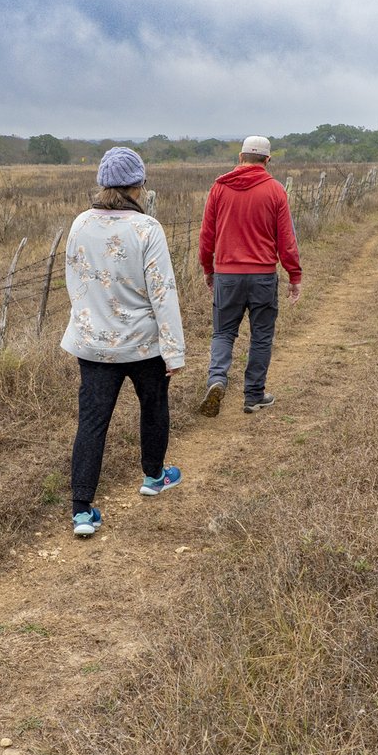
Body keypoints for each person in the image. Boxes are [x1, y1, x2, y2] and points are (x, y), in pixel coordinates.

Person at [61, 147, 185, 537]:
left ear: (103, 184)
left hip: (94, 344)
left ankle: (82, 511)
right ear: (138, 186)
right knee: (153, 406)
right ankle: (153, 476)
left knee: (92, 422)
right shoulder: (148, 229)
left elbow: (74, 280)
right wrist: (174, 349)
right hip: (144, 344)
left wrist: (87, 322)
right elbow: (163, 292)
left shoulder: (80, 224)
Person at [198, 135, 302, 416]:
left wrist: (208, 268)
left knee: (223, 332)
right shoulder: (276, 190)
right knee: (261, 336)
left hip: (227, 275)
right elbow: (286, 239)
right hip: (263, 276)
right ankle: (253, 395)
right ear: (267, 160)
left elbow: (207, 235)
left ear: (241, 157)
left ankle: (217, 379)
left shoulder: (219, 188)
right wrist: (294, 275)